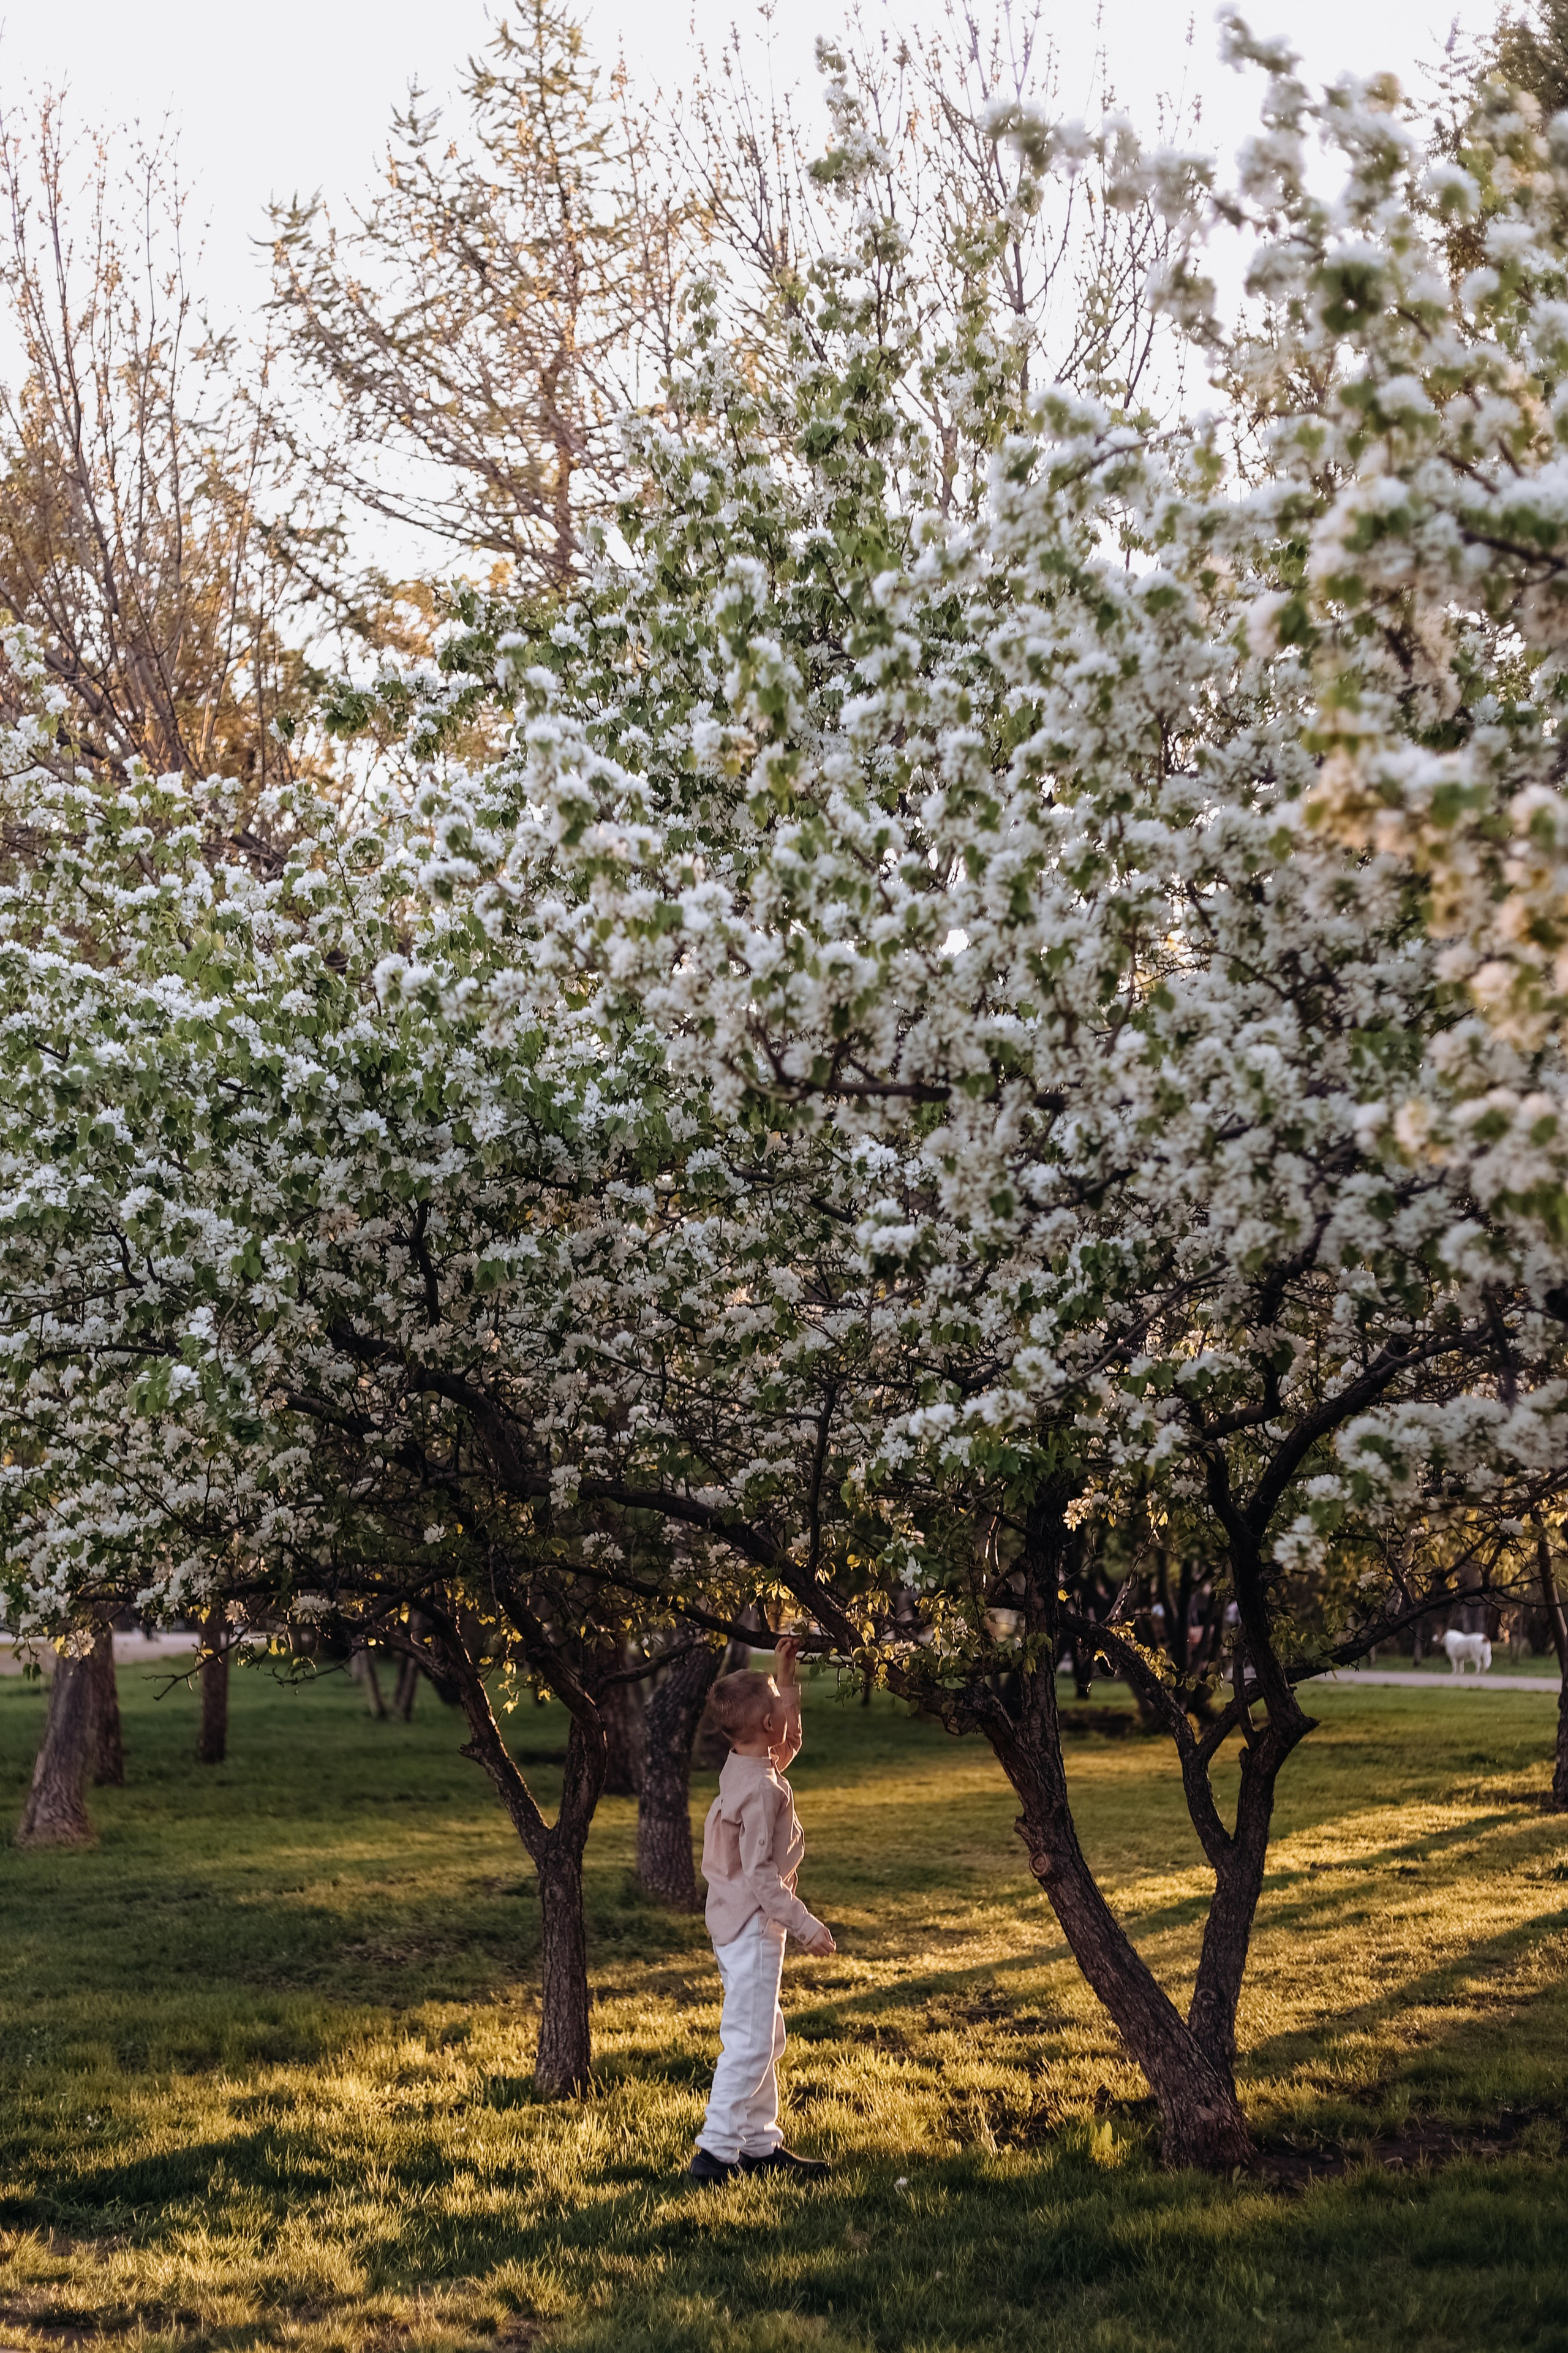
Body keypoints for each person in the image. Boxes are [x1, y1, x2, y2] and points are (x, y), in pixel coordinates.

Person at [688, 1631, 834, 2184]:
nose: (784, 1712)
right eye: (777, 1702)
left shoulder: (745, 1761)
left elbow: (788, 1737)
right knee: (748, 2041)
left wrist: (786, 1675)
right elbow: (762, 1876)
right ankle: (715, 2153)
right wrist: (806, 1924)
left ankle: (759, 2143)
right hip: (752, 1924)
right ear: (766, 1727)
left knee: (763, 2034)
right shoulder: (761, 1790)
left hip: (740, 1921)